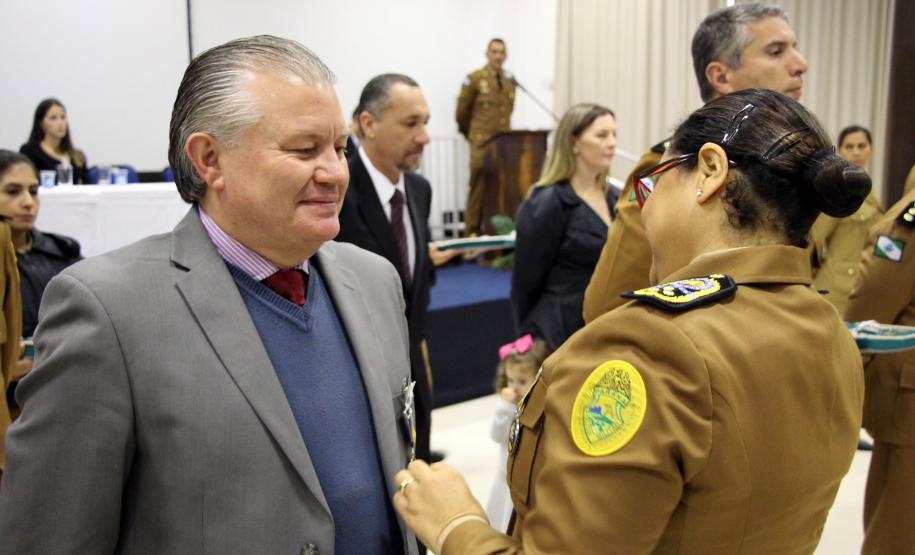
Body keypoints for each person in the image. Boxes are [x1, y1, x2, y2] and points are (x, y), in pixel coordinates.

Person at [391, 89, 868, 554]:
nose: (646, 208)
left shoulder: (649, 347)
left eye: (654, 182)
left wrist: (457, 526)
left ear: (709, 172)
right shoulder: (829, 331)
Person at [0, 35, 418, 554]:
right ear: (209, 160)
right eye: (305, 149)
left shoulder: (374, 281)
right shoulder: (108, 313)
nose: (335, 173)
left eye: (339, 148)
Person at [582, 2, 808, 323]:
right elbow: (607, 305)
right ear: (721, 76)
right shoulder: (671, 171)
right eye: (775, 52)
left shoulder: (793, 168)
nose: (801, 64)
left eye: (794, 49)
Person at [337, 74, 436, 467]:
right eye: (411, 124)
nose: (425, 137)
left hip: (411, 373)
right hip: (354, 378)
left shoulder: (419, 191)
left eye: (426, 122)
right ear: (368, 124)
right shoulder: (336, 192)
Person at [511, 103, 617, 350]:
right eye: (602, 135)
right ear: (574, 142)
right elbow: (525, 282)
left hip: (604, 323)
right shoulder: (547, 202)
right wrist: (526, 340)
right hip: (559, 329)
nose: (611, 142)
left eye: (614, 134)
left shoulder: (614, 197)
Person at [845, 186, 915, 554]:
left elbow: (872, 305)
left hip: (909, 400)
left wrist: (844, 359)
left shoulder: (911, 219)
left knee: (897, 527)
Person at [0, 150, 82, 420]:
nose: (27, 202)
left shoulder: (63, 251)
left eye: (33, 191)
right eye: (13, 192)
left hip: (65, 389)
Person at [810, 125, 883, 314]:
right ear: (840, 151)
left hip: (861, 285)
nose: (856, 152)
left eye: (861, 146)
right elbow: (815, 239)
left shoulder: (870, 192)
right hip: (836, 287)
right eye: (849, 147)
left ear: (871, 149)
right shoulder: (838, 190)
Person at [485, 334, 549, 533]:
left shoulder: (542, 406)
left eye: (522, 381)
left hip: (529, 480)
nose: (514, 387)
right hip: (505, 478)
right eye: (510, 380)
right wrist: (504, 408)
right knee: (501, 524)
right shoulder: (509, 406)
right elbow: (497, 435)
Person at [456, 38, 516, 235]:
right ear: (487, 54)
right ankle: (470, 235)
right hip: (481, 144)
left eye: (501, 52)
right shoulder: (474, 79)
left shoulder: (510, 82)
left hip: (503, 147)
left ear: (506, 56)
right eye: (494, 52)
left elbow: (508, 111)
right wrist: (472, 136)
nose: (498, 56)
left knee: (501, 190)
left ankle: (496, 237)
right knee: (478, 190)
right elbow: (462, 113)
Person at [19, 98, 89, 185]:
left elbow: (86, 185)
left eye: (63, 117)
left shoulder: (78, 156)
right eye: (53, 118)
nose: (60, 123)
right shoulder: (29, 151)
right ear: (41, 123)